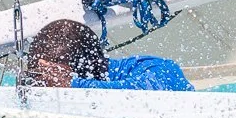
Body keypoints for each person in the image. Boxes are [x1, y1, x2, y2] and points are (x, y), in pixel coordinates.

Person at [20, 19, 193, 91]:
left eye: (50, 79)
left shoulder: (157, 68)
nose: (43, 87)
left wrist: (72, 84)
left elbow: (151, 93)